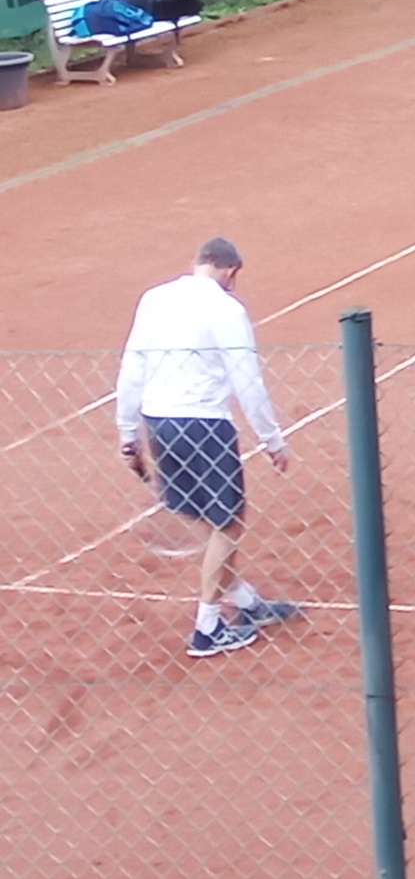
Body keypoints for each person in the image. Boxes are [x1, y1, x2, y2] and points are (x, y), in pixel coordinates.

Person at [115, 237, 298, 658]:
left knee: (201, 517)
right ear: (230, 271)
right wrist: (271, 439)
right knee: (228, 523)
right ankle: (208, 627)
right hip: (205, 427)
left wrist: (128, 434)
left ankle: (247, 601)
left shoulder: (154, 299)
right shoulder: (227, 310)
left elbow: (133, 367)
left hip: (159, 423)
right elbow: (247, 380)